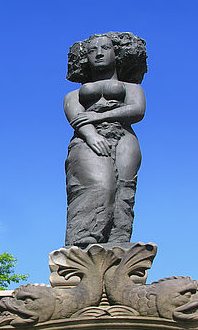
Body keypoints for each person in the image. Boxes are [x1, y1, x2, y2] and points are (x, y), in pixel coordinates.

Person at [63, 32, 147, 247]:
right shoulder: (75, 94)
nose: (98, 54)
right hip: (87, 137)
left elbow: (137, 111)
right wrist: (91, 135)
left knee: (124, 187)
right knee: (99, 184)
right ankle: (82, 240)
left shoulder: (132, 88)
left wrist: (99, 115)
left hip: (124, 136)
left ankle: (118, 241)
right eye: (92, 51)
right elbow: (76, 117)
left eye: (105, 48)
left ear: (117, 53)